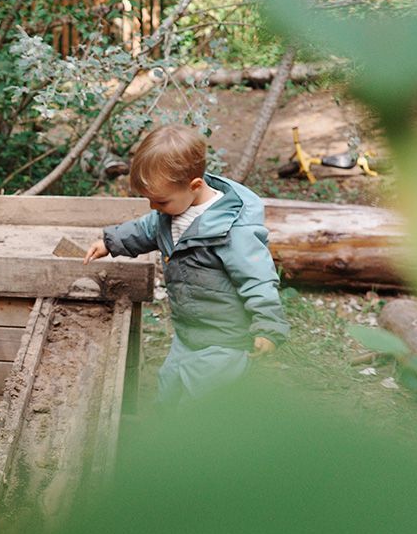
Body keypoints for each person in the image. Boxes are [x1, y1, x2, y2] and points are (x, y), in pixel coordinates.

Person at [84, 125, 289, 403]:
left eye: (160, 201)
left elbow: (259, 278)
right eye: (149, 200)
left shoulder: (232, 231)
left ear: (194, 186)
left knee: (204, 401)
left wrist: (268, 325)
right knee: (170, 385)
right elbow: (147, 229)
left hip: (224, 337)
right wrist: (111, 243)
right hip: (189, 330)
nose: (153, 207)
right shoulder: (172, 212)